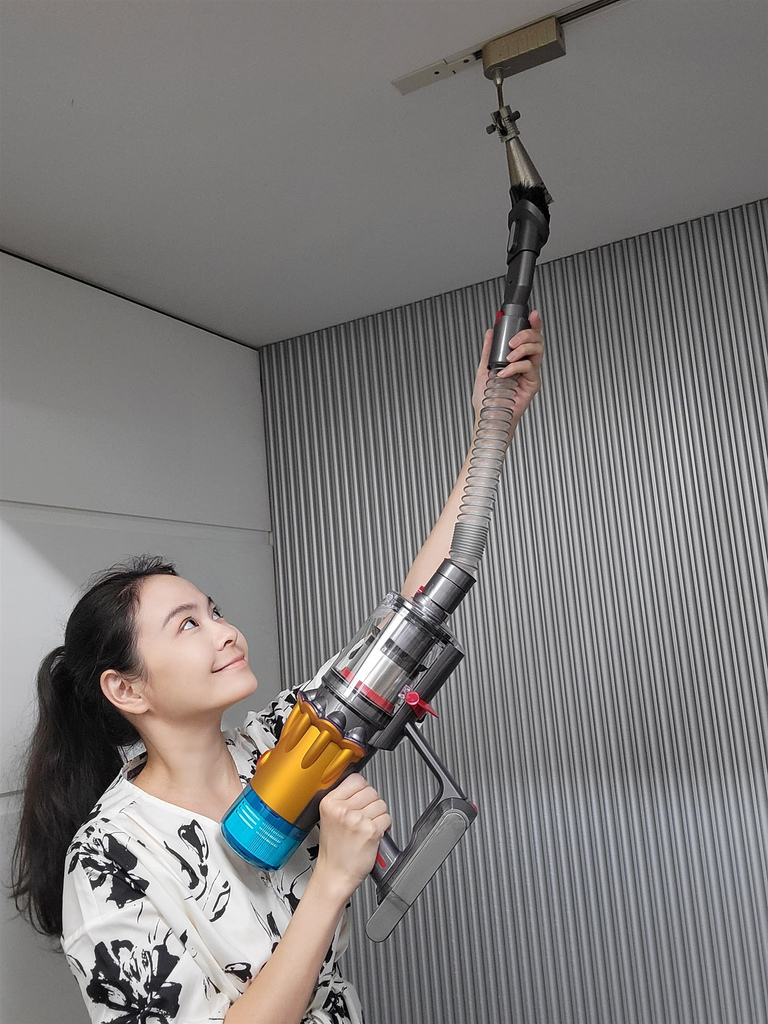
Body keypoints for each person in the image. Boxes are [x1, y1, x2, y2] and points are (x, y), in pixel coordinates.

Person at [11, 313, 544, 1024]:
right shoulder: (112, 860)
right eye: (188, 624)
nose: (227, 632)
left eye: (215, 610)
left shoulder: (282, 741)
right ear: (126, 688)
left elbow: (409, 619)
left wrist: (491, 429)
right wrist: (331, 880)